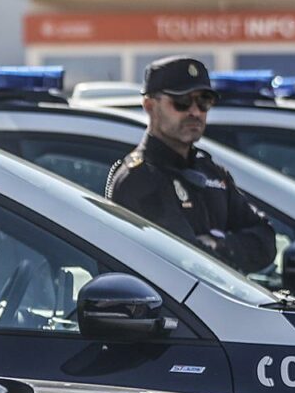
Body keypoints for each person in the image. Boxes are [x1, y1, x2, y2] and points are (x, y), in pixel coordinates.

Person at [107, 56, 276, 274]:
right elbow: (186, 260)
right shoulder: (138, 178)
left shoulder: (211, 172)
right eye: (182, 101)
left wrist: (219, 245)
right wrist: (227, 248)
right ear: (149, 106)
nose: (195, 112)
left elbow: (265, 239)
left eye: (204, 101)